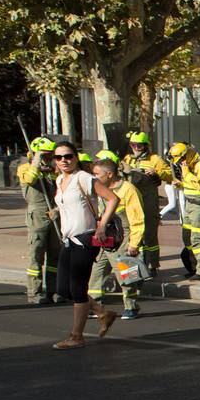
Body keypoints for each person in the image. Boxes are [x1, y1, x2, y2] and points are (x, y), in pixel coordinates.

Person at [50, 140, 121, 349]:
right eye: (59, 157)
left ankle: (76, 336)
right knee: (64, 289)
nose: (64, 160)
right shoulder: (59, 180)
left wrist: (102, 225)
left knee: (78, 288)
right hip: (68, 239)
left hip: (85, 238)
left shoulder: (84, 177)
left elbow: (112, 199)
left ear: (76, 157)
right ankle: (102, 312)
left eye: (68, 156)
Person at [87, 158, 146, 320]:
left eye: (97, 174)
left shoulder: (128, 189)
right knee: (96, 274)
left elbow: (137, 219)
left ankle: (131, 306)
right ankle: (96, 306)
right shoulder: (98, 189)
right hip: (103, 237)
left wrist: (134, 243)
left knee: (126, 274)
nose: (94, 177)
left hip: (123, 237)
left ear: (110, 174)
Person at [121, 131, 172, 278]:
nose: (136, 147)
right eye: (133, 145)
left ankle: (153, 265)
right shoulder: (127, 159)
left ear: (146, 145)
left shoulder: (155, 159)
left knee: (150, 235)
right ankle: (136, 270)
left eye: (139, 145)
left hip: (149, 201)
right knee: (134, 235)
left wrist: (156, 172)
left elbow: (169, 174)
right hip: (132, 200)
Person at [18, 136, 61, 304]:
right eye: (47, 155)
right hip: (37, 216)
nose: (50, 158)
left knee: (55, 255)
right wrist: (36, 160)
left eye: (51, 155)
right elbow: (29, 179)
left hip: (54, 215)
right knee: (36, 255)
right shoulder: (25, 168)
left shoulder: (51, 171)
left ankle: (54, 290)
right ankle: (34, 292)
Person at [168, 142, 200, 279]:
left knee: (198, 240)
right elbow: (191, 185)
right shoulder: (189, 165)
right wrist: (181, 184)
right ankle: (193, 267)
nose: (181, 163)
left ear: (188, 154)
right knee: (187, 238)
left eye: (182, 159)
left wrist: (186, 173)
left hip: (199, 207)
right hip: (189, 205)